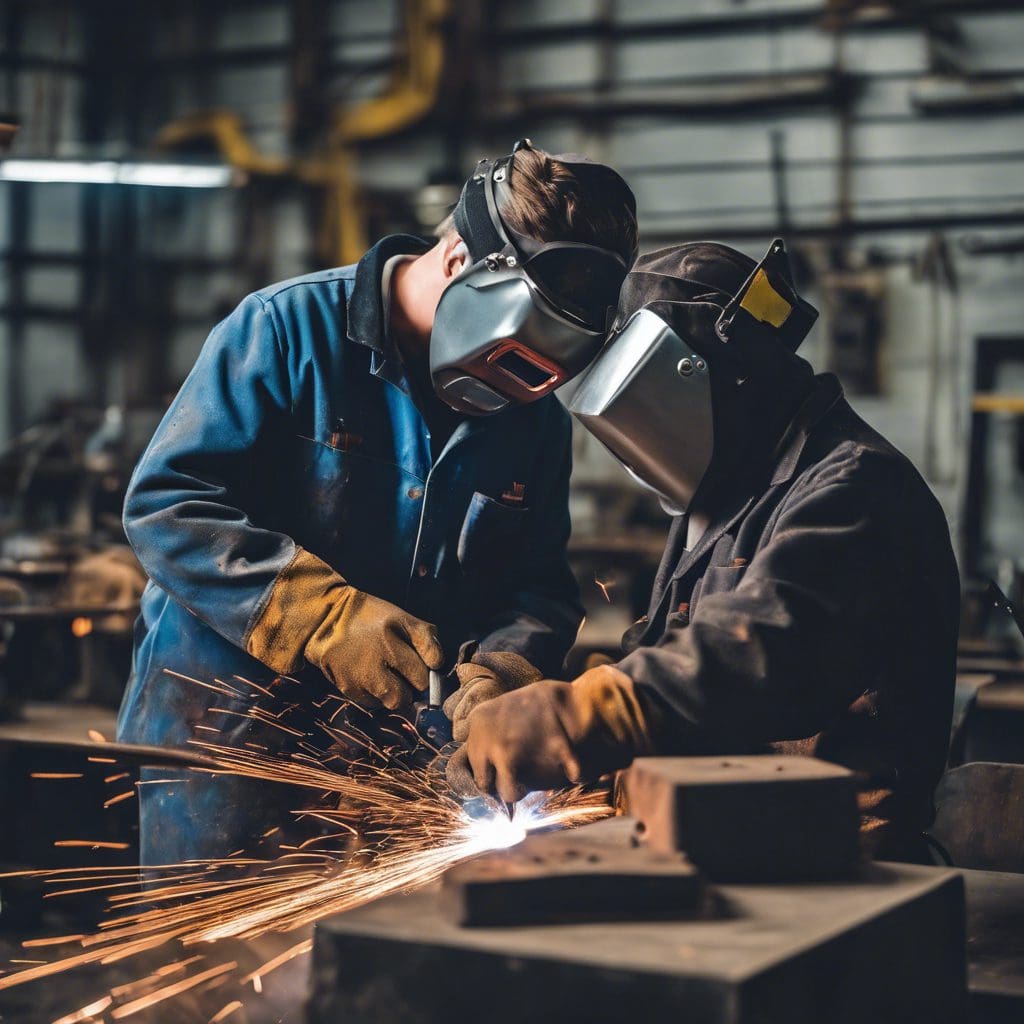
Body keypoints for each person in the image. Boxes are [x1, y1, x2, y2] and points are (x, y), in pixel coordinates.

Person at [117, 140, 638, 864]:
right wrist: (323, 616)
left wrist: (504, 672)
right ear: (461, 262)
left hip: (397, 767)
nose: (522, 389)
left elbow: (539, 586)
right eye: (517, 354)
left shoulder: (533, 417)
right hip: (227, 743)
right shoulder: (283, 330)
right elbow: (167, 504)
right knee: (203, 971)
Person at [446, 239, 960, 860]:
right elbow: (666, 656)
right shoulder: (729, 484)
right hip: (722, 840)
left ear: (708, 379)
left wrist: (583, 715)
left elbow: (766, 652)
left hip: (839, 865)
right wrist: (547, 711)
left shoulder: (858, 487)